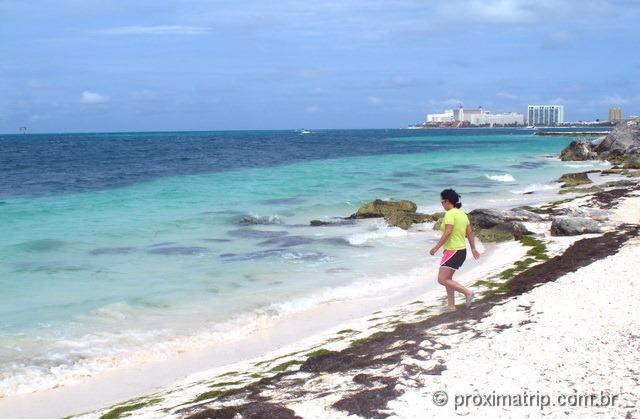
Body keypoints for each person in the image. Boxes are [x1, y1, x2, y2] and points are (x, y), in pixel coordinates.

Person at [429, 189, 480, 311]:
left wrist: (436, 247)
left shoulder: (450, 214)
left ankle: (467, 293)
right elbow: (470, 232)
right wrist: (473, 248)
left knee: (442, 279)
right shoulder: (462, 214)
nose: (442, 204)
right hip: (460, 251)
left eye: (442, 202)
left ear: (447, 201)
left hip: (453, 251)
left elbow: (448, 232)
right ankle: (451, 306)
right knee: (448, 279)